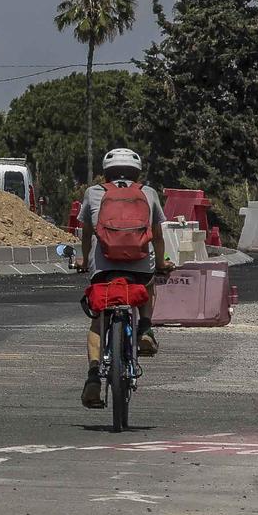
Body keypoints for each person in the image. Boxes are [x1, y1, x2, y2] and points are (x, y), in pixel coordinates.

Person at [73, 147, 170, 410]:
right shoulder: (148, 193)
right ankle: (146, 328)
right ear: (137, 172)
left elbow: (85, 235)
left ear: (106, 172)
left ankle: (94, 377)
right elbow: (158, 236)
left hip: (103, 268)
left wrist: (83, 261)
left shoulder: (93, 193)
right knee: (149, 284)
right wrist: (161, 264)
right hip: (139, 267)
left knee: (97, 322)